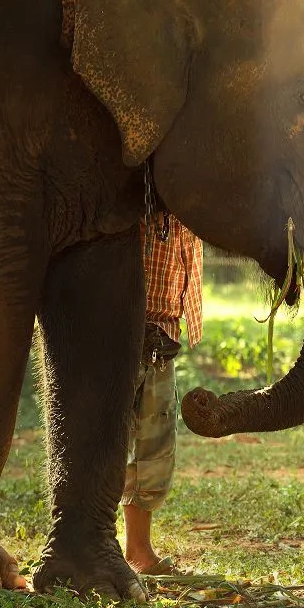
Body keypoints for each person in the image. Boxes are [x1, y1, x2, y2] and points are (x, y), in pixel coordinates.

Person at [122, 209, 203, 577]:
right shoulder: (134, 206)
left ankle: (138, 549)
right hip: (119, 333)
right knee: (111, 444)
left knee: (155, 448)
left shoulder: (191, 215)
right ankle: (97, 540)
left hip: (163, 338)